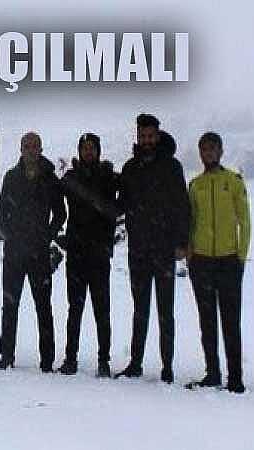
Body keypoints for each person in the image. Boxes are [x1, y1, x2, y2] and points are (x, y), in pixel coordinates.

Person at [116, 114, 190, 383]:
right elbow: (121, 204)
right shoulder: (130, 168)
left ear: (157, 136)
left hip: (164, 248)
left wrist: (181, 242)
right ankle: (135, 363)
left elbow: (182, 205)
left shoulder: (171, 166)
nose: (146, 141)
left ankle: (167, 367)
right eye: (142, 136)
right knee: (140, 309)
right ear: (138, 137)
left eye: (150, 136)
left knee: (165, 310)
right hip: (138, 249)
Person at [0, 132, 66, 372]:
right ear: (21, 149)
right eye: (27, 146)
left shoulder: (50, 178)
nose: (31, 150)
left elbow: (60, 214)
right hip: (14, 253)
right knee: (9, 305)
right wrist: (10, 235)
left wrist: (47, 236)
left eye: (35, 146)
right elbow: (1, 211)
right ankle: (6, 356)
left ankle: (47, 360)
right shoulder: (11, 177)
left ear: (40, 149)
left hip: (39, 253)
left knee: (43, 307)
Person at [185, 132, 249, 393]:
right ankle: (212, 372)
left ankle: (235, 377)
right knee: (207, 320)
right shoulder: (195, 185)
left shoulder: (233, 181)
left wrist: (241, 256)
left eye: (212, 148)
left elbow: (245, 220)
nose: (208, 153)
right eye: (204, 149)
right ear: (200, 153)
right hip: (201, 261)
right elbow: (190, 221)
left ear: (221, 151)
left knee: (231, 321)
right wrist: (190, 253)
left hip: (228, 260)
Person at [57, 133, 119, 377]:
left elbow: (124, 201)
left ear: (98, 151)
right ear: (79, 151)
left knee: (102, 310)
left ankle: (104, 361)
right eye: (84, 148)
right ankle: (70, 359)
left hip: (99, 254)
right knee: (75, 309)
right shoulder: (71, 179)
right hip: (77, 253)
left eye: (92, 148)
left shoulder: (108, 177)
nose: (88, 151)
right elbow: (52, 198)